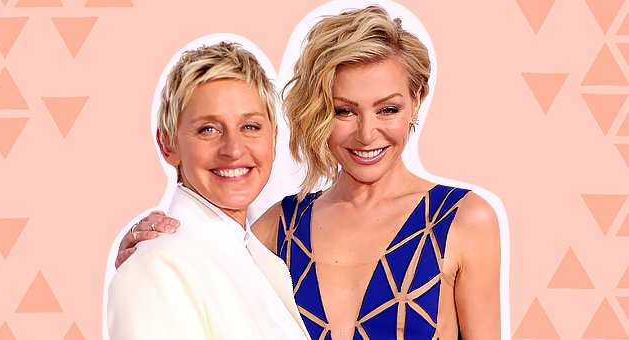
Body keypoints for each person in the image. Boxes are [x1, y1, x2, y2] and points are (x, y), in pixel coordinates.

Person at [116, 6, 501, 339]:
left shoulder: (465, 222)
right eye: (343, 111)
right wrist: (151, 255)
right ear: (317, 110)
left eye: (388, 109)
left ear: (416, 100)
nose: (367, 134)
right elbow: (204, 279)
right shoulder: (275, 231)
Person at [107, 42, 310, 339]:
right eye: (208, 129)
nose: (234, 149)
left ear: (274, 138)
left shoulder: (264, 264)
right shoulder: (156, 268)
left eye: (250, 127)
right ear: (168, 145)